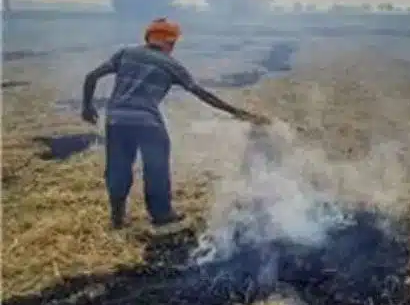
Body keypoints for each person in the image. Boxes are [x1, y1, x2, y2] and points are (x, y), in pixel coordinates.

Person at [81, 18, 270, 229]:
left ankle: (117, 218)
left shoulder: (125, 54)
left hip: (115, 120)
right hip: (148, 122)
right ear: (171, 43)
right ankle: (161, 214)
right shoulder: (171, 65)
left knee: (118, 167)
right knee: (156, 167)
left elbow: (91, 77)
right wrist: (239, 113)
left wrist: (87, 108)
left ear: (148, 37)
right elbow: (203, 95)